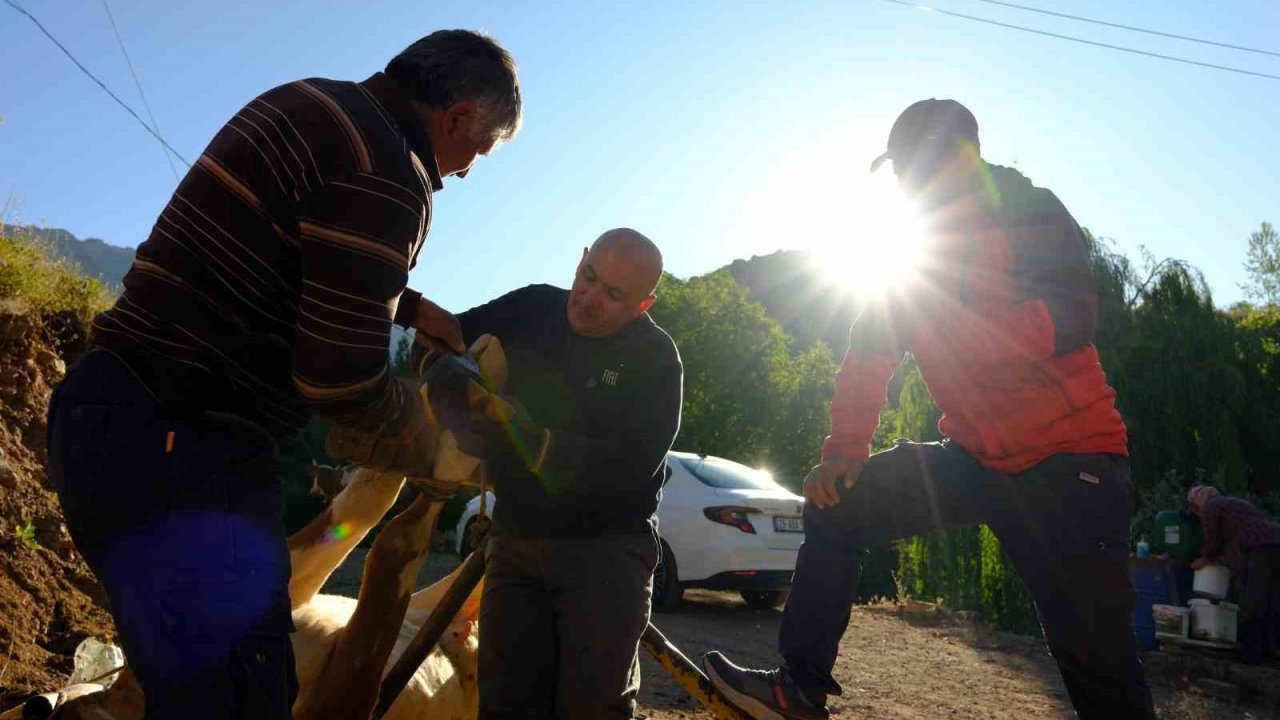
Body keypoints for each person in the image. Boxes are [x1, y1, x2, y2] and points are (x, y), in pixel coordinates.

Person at [45, 30, 521, 719]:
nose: (464, 171)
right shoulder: (390, 170)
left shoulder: (311, 104)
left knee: (189, 692)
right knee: (242, 699)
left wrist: (409, 307)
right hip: (184, 444)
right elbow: (338, 378)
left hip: (110, 416)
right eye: (475, 152)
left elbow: (287, 250)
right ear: (457, 118)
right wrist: (430, 437)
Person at [702, 99, 1157, 720]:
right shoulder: (909, 245)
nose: (906, 183)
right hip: (972, 457)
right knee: (839, 504)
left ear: (963, 156)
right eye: (899, 172)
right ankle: (798, 691)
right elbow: (868, 354)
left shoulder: (1029, 211)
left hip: (1070, 462)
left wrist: (956, 327)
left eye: (918, 166)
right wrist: (842, 453)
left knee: (1090, 650)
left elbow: (1074, 317)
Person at [442, 229, 683, 720]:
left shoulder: (656, 358)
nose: (589, 298)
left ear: (642, 304)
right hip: (514, 542)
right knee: (505, 705)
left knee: (591, 709)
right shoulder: (532, 307)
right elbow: (450, 338)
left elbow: (628, 466)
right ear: (579, 261)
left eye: (613, 294)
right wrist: (452, 390)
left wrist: (525, 433)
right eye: (587, 276)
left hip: (605, 554)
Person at [1187, 485, 1280, 664]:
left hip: (1258, 547)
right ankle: (1270, 650)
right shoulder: (1233, 504)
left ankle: (1251, 654)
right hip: (1275, 543)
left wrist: (1204, 559)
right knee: (1272, 600)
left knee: (1252, 598)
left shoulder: (1210, 507)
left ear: (1196, 502)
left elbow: (1212, 539)